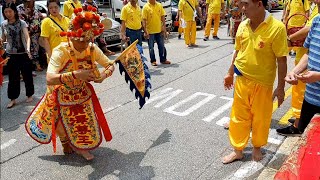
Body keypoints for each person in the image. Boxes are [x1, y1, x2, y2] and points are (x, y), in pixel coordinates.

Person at [25, 5, 115, 161]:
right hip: (60, 93)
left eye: (88, 41)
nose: (85, 46)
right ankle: (66, 141)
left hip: (81, 93)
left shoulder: (92, 48)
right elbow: (49, 78)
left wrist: (103, 76)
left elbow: (110, 64)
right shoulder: (61, 51)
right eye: (81, 42)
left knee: (82, 121)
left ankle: (80, 146)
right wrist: (75, 74)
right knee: (59, 123)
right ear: (71, 37)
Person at [222, 0, 288, 163]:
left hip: (263, 83)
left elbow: (282, 60)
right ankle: (238, 150)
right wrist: (230, 72)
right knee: (238, 116)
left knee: (260, 118)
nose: (242, 8)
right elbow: (237, 51)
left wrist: (280, 88)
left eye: (246, 4)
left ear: (259, 4)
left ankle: (257, 148)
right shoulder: (243, 26)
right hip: (242, 79)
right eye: (241, 4)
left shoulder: (277, 28)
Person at [277, 1, 320, 136]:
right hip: (311, 98)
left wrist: (318, 76)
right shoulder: (317, 20)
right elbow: (309, 52)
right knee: (304, 137)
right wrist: (294, 72)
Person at [1, 2, 34, 108]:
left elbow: (27, 37)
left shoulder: (22, 23)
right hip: (11, 54)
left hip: (23, 53)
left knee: (27, 75)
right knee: (13, 77)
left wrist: (28, 49)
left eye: (10, 11)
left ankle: (29, 94)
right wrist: (1, 41)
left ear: (14, 11)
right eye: (5, 12)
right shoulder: (4, 24)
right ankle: (13, 98)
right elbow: (4, 39)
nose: (8, 14)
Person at [142, 0, 171, 66]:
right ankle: (153, 61)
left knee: (161, 46)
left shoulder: (159, 5)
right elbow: (144, 20)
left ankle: (163, 59)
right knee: (151, 47)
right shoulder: (145, 7)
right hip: (150, 31)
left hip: (159, 30)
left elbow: (162, 17)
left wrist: (164, 27)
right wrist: (145, 31)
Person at [18, 0, 44, 72]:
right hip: (24, 33)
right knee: (26, 50)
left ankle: (36, 63)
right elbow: (18, 22)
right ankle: (26, 67)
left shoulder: (37, 8)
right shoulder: (19, 9)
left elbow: (39, 19)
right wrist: (26, 15)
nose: (29, 2)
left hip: (35, 33)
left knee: (36, 48)